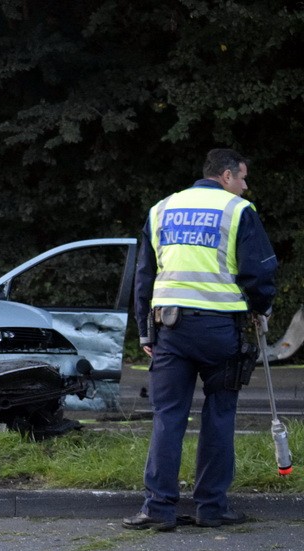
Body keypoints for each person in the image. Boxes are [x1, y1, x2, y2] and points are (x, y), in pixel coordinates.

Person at [123, 149, 277, 531]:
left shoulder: (162, 209)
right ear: (226, 176)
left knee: (168, 416)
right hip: (219, 331)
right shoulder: (238, 210)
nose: (245, 185)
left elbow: (145, 274)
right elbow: (258, 273)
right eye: (242, 177)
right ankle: (211, 507)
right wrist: (260, 309)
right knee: (220, 414)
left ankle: (158, 508)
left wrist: (146, 330)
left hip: (169, 330)